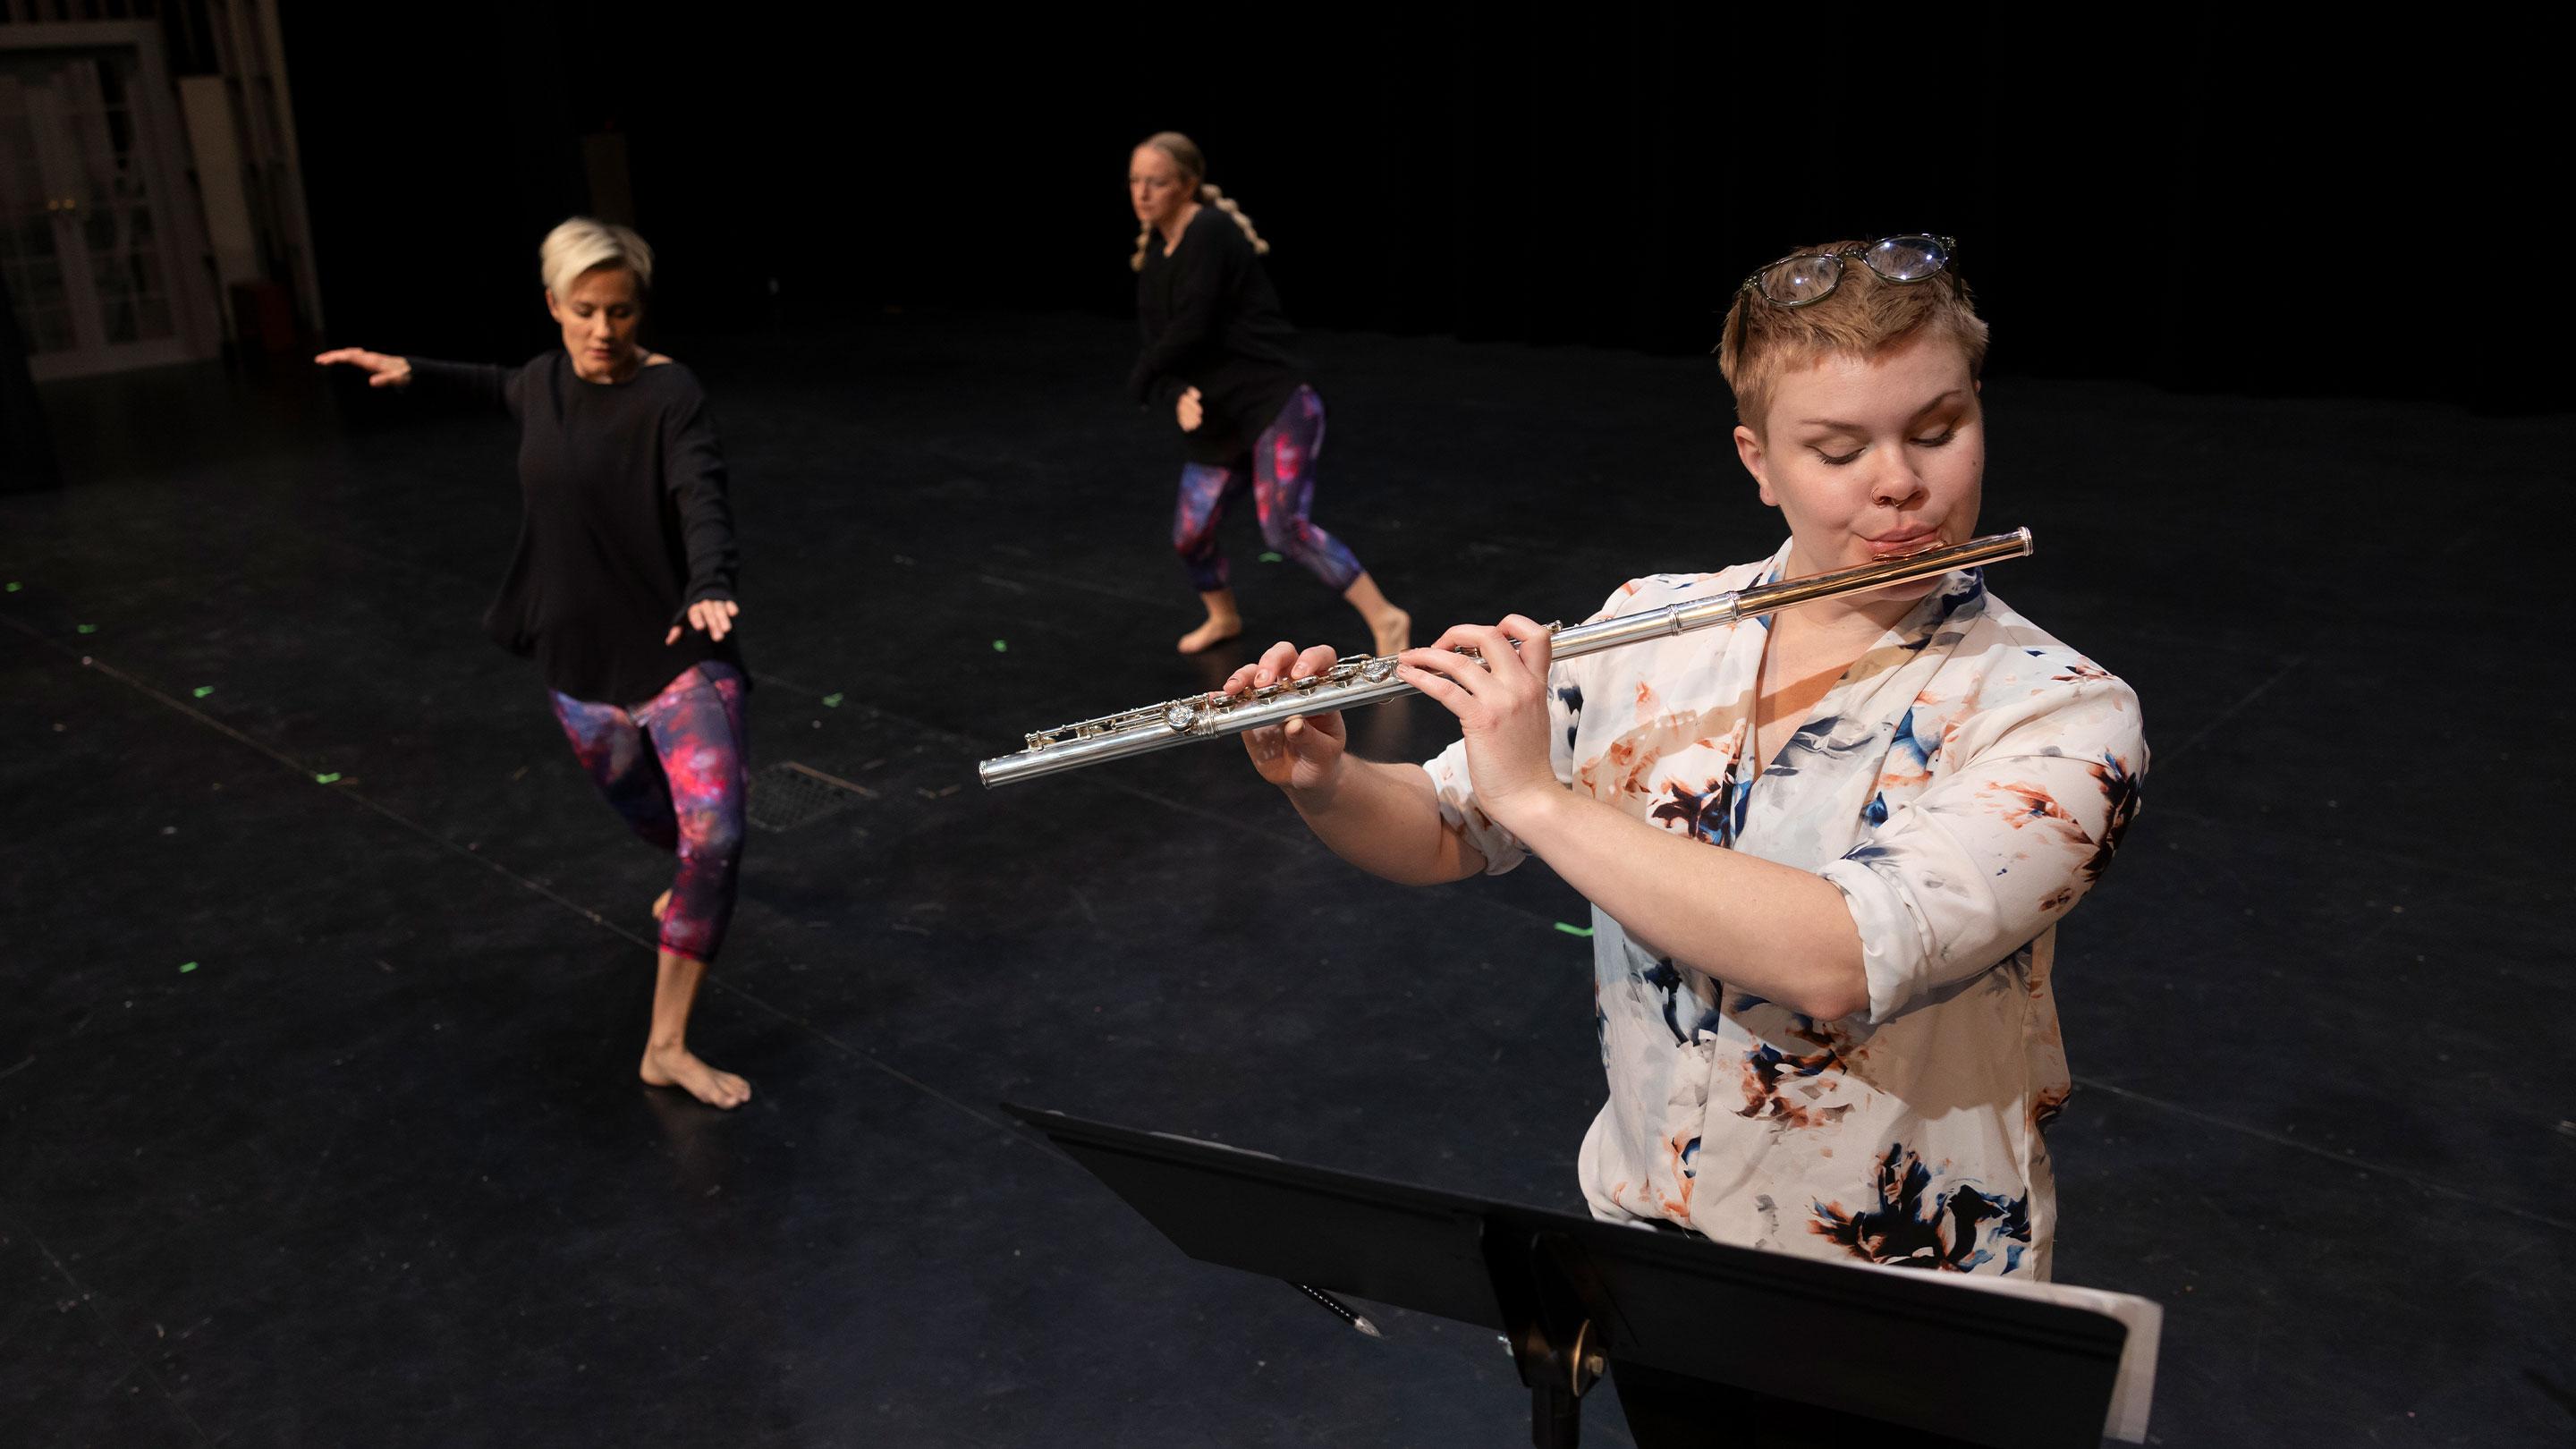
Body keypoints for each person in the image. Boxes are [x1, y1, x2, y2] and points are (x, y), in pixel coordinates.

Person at [1224, 236, 2145, 1284]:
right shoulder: (1651, 627)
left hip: (1908, 1277)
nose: (1901, 485)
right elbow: (1445, 829)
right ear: (1759, 462)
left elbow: (1838, 960)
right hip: (1647, 1243)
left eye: (1938, 431)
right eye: (1840, 453)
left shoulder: (2065, 715)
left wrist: (1538, 795)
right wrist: (1329, 782)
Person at [316, 217, 755, 1110]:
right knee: (664, 831)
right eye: (586, 311)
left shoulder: (672, 396)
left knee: (717, 834)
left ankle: (665, 1045)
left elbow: (699, 491)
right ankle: (689, 897)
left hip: (679, 653)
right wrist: (413, 373)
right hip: (579, 661)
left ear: (641, 313)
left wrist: (708, 579)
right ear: (554, 306)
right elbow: (498, 385)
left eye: (622, 312)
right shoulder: (543, 383)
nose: (604, 331)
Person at [1126, 131, 1411, 657]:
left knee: (1283, 529)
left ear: (1188, 186)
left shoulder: (1210, 230)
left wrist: (1144, 378)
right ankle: (1224, 616)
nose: (1142, 193)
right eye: (1135, 182)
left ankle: (1388, 618)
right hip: (1219, 413)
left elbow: (1195, 325)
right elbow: (1161, 344)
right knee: (1191, 533)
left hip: (1273, 402)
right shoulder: (1154, 262)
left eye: (1157, 182)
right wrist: (1171, 392)